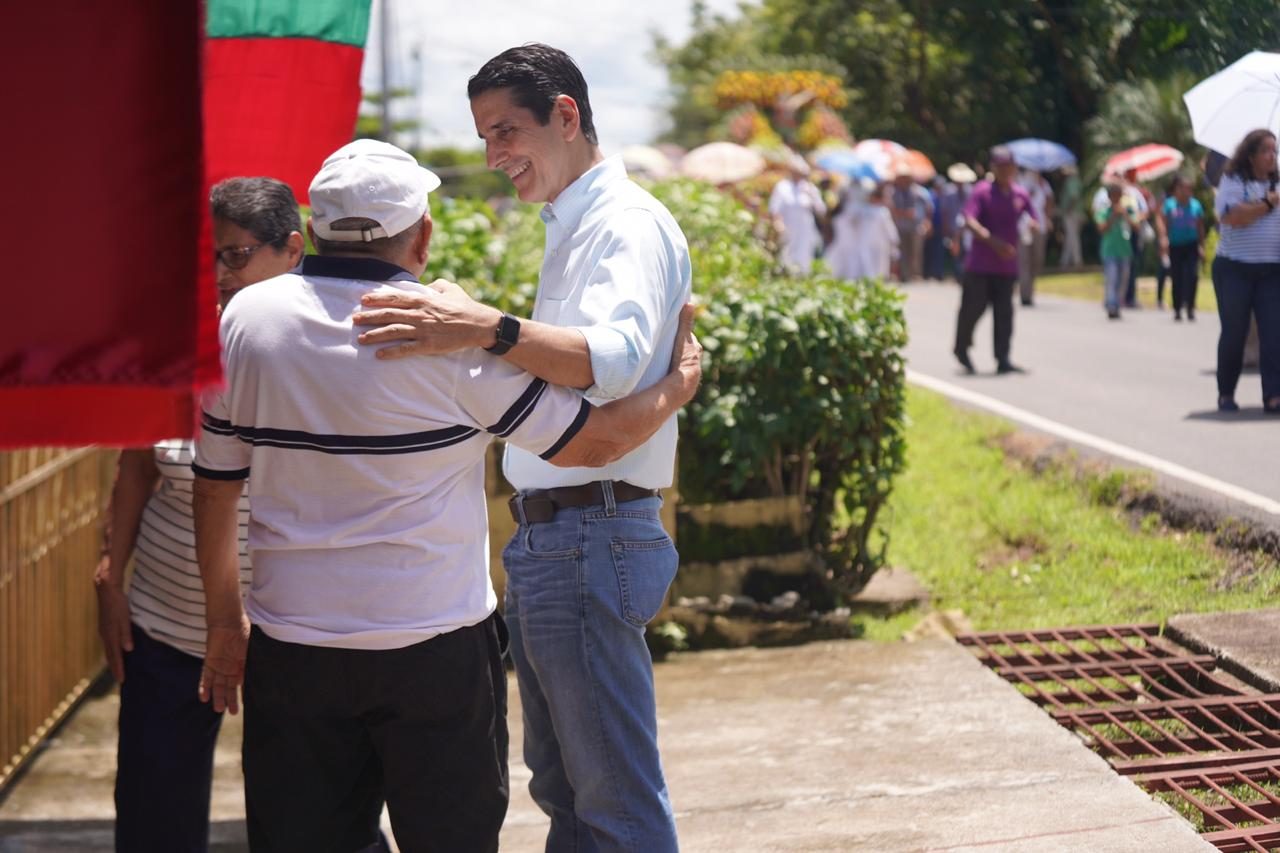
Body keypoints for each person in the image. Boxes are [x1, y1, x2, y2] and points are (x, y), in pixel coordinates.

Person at [193, 139, 703, 852]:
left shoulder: (245, 324)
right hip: (434, 651)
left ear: (310, 234)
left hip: (294, 648)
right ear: (422, 236)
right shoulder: (448, 336)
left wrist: (224, 625)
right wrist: (678, 385)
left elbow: (215, 490)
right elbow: (593, 444)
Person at [349, 44, 695, 852]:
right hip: (562, 537)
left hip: (588, 532)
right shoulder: (577, 223)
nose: (494, 155)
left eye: (507, 131)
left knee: (613, 800)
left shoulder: (624, 223)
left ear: (566, 116)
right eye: (483, 137)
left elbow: (605, 364)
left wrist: (483, 326)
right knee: (570, 792)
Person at [91, 178, 304, 853]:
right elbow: (136, 468)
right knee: (156, 818)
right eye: (209, 258)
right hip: (167, 626)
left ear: (292, 251)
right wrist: (110, 578)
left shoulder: (327, 354)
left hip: (286, 632)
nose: (219, 275)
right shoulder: (178, 347)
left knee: (304, 817)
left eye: (237, 256)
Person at [953, 145, 1039, 375]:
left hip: (1006, 267)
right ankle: (962, 348)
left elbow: (1034, 218)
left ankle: (1003, 358)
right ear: (993, 167)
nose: (1005, 170)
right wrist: (993, 241)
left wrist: (1033, 225)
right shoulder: (982, 192)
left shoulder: (1020, 194)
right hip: (981, 265)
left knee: (1004, 313)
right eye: (1000, 166)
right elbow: (969, 220)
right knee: (973, 309)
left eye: (1009, 166)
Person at [1211, 128, 1280, 414]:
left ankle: (1274, 396)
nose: (1272, 156)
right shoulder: (1233, 180)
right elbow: (1232, 217)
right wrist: (1267, 203)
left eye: (1275, 151)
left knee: (1274, 334)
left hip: (1271, 271)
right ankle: (1226, 392)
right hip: (1234, 269)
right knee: (1235, 333)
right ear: (1250, 156)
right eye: (1266, 151)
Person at [825, 179, 899, 281]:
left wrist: (893, 238)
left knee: (880, 262)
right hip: (866, 241)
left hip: (880, 241)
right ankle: (869, 280)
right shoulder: (864, 209)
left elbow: (889, 227)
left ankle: (879, 280)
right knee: (866, 262)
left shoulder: (883, 212)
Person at [1158, 175, 1206, 321]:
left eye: (1188, 189)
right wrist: (1163, 239)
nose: (1186, 192)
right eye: (1183, 188)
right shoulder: (1169, 205)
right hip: (1175, 245)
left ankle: (1190, 307)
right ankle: (1177, 308)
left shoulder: (1196, 205)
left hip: (1191, 245)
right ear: (1177, 189)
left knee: (1192, 275)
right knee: (1176, 276)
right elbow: (1162, 222)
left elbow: (1200, 227)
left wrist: (1201, 246)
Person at [769, 159, 826, 273]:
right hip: (789, 226)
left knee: (805, 255)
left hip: (805, 228)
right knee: (787, 254)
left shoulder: (809, 188)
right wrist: (778, 224)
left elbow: (821, 210)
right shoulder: (782, 187)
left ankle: (803, 275)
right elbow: (775, 209)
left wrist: (811, 196)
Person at [1096, 182, 1139, 319]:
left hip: (1125, 251)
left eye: (1118, 195)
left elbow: (1136, 227)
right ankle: (1111, 305)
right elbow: (1102, 229)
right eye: (1113, 195)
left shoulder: (1127, 210)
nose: (1116, 198)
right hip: (1109, 251)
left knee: (1123, 280)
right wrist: (1113, 215)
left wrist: (1125, 215)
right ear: (1109, 197)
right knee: (1112, 279)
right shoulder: (1104, 211)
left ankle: (1118, 304)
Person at [890, 164, 933, 282]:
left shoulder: (919, 192)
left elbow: (927, 209)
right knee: (903, 251)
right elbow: (892, 209)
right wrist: (904, 213)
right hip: (901, 226)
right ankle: (905, 274)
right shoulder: (894, 192)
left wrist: (928, 223)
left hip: (916, 226)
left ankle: (916, 274)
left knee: (916, 251)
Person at [1016, 169, 1053, 305]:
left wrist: (1048, 218)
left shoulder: (1043, 184)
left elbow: (1049, 202)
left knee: (1037, 260)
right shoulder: (1019, 182)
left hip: (1039, 227)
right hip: (1023, 228)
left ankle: (1029, 288)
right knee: (1024, 261)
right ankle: (1025, 295)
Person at [1057, 164, 1084, 268]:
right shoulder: (1077, 181)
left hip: (1072, 212)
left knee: (1073, 237)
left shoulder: (1071, 181)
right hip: (1076, 212)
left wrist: (1068, 209)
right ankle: (1064, 261)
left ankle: (1078, 260)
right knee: (1070, 237)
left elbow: (1074, 197)